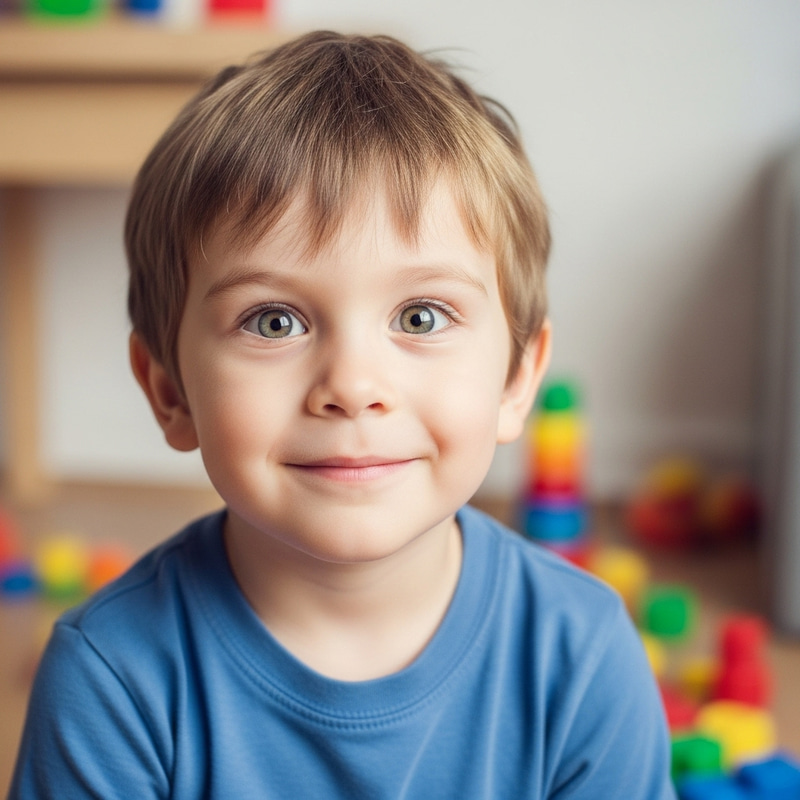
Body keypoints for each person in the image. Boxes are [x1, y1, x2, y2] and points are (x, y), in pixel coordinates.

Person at [10, 31, 675, 799]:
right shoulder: (111, 683)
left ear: (517, 378)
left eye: (421, 317)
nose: (353, 386)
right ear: (168, 390)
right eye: (273, 322)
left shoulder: (582, 656)